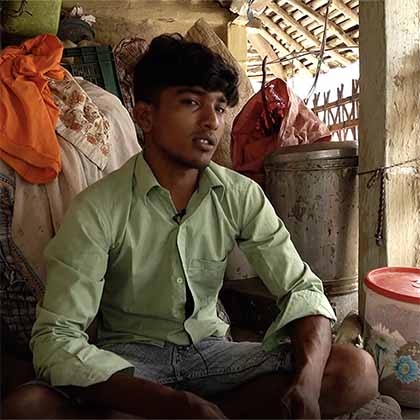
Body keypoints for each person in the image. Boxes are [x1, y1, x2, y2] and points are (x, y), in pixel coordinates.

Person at [2, 34, 378, 420]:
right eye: (191, 102)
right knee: (28, 409)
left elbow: (301, 290)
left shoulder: (239, 194)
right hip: (131, 364)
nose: (211, 121)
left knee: (355, 372)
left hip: (213, 357)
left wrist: (308, 385)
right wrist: (169, 404)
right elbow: (56, 338)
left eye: (218, 106)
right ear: (145, 116)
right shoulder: (99, 207)